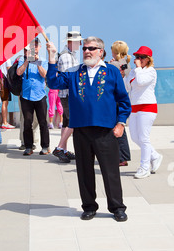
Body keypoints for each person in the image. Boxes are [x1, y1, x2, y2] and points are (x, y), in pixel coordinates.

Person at [47, 36, 131, 222]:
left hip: (106, 130)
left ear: (100, 51)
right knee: (84, 171)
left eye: (92, 48)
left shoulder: (112, 71)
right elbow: (53, 83)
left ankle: (117, 207)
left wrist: (121, 123)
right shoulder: (74, 72)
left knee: (110, 171)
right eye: (85, 48)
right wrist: (52, 57)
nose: (87, 51)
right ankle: (89, 207)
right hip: (81, 130)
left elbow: (123, 100)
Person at [123, 46, 163, 179]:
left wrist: (138, 69)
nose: (138, 59)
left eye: (141, 57)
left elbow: (140, 82)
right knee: (135, 137)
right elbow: (128, 87)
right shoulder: (135, 71)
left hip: (147, 107)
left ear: (148, 59)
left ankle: (144, 167)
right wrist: (125, 76)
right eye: (137, 57)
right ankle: (155, 156)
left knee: (144, 138)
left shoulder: (151, 71)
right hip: (134, 107)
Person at [17, 37, 50, 156]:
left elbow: (45, 74)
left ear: (39, 47)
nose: (34, 48)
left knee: (43, 122)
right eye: (32, 46)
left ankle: (45, 146)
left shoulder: (43, 60)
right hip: (26, 96)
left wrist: (36, 62)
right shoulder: (22, 59)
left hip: (40, 95)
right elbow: (19, 72)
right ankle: (28, 146)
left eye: (36, 46)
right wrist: (27, 60)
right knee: (27, 122)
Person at [52, 31, 81, 163]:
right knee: (73, 121)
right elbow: (71, 77)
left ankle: (63, 149)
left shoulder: (68, 55)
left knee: (68, 122)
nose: (80, 44)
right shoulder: (67, 57)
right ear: (71, 42)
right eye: (78, 42)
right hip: (70, 93)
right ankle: (59, 147)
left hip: (65, 93)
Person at [110, 40, 132, 166]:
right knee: (121, 127)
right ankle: (122, 156)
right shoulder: (127, 65)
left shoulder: (114, 65)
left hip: (116, 100)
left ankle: (121, 157)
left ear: (115, 51)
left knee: (117, 129)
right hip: (124, 99)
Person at [0, 59, 15, 130]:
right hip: (4, 80)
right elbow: (9, 69)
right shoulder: (6, 58)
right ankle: (4, 122)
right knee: (5, 101)